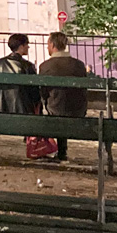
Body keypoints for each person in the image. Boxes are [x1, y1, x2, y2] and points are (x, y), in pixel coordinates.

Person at [38, 31, 88, 161]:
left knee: (56, 104)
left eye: (48, 44)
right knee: (62, 102)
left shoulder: (45, 66)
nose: (47, 47)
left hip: (56, 110)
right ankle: (62, 151)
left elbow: (43, 92)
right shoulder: (79, 65)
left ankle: (61, 151)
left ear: (52, 45)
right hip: (78, 110)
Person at [0, 33, 41, 114]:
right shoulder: (27, 65)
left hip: (1, 106)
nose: (28, 47)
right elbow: (34, 91)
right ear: (21, 46)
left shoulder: (0, 63)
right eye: (26, 44)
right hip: (22, 108)